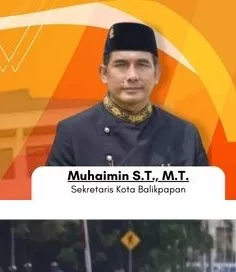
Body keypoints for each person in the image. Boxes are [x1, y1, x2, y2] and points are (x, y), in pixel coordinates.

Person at [45, 22, 209, 168]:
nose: (132, 76)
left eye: (142, 64)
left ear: (157, 73)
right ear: (104, 73)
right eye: (121, 65)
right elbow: (54, 199)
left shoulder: (185, 134)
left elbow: (204, 199)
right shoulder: (74, 133)